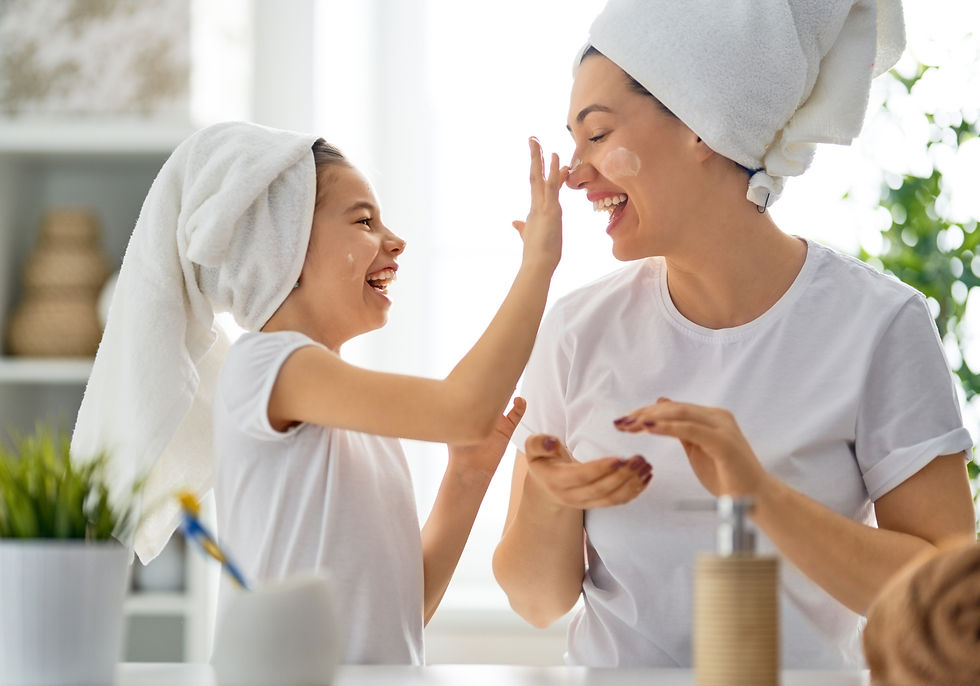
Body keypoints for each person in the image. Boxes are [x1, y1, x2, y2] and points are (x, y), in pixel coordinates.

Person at [492, 0, 977, 670]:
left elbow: (950, 598)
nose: (574, 174)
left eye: (598, 136)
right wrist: (551, 499)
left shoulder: (878, 325)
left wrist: (761, 496)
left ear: (701, 125)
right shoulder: (577, 331)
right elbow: (536, 601)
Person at [70, 121, 608, 664]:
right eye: (364, 221)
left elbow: (403, 609)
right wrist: (538, 263)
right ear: (281, 246)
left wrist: (466, 474)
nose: (394, 241)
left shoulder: (345, 411)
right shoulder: (264, 366)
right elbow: (463, 407)